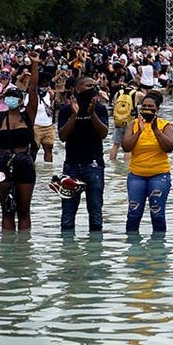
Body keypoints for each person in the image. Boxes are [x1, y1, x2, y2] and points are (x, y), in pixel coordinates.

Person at [0, 52, 42, 231]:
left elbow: (33, 89)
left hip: (24, 161)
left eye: (14, 96)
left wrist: (35, 64)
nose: (11, 99)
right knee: (6, 210)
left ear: (21, 101)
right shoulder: (0, 117)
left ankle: (23, 249)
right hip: (3, 162)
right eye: (8, 96)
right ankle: (7, 250)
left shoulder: (27, 115)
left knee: (24, 210)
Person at [57, 77, 109, 232]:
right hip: (71, 165)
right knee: (67, 214)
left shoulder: (100, 109)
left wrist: (92, 114)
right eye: (88, 85)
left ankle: (95, 252)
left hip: (94, 165)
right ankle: (68, 251)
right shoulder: (66, 110)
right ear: (77, 88)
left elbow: (103, 134)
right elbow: (62, 137)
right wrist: (74, 115)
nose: (92, 88)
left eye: (94, 85)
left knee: (95, 213)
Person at [122, 90, 173, 233]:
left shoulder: (165, 125)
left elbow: (170, 147)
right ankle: (133, 250)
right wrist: (139, 132)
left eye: (151, 107)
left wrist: (156, 130)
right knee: (133, 213)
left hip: (159, 175)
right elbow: (126, 147)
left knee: (157, 214)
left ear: (157, 109)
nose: (147, 109)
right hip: (136, 175)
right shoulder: (132, 125)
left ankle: (158, 250)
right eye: (144, 106)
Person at [32, 82, 56, 163]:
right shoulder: (31, 95)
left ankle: (48, 171)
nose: (44, 88)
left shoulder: (50, 95)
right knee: (34, 150)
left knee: (49, 149)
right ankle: (31, 168)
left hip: (49, 126)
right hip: (36, 126)